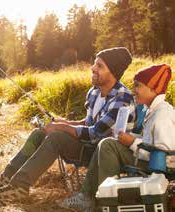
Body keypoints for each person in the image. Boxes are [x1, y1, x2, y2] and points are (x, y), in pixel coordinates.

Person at [0, 47, 136, 204]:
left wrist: (61, 128)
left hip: (100, 154)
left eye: (100, 66)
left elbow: (94, 133)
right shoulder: (95, 92)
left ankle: (19, 188)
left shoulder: (122, 98)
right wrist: (62, 122)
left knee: (56, 138)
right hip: (87, 145)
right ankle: (6, 178)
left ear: (113, 73)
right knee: (38, 133)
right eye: (95, 63)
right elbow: (87, 123)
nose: (93, 68)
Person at [59, 63, 175, 211]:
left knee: (108, 146)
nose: (134, 90)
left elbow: (165, 156)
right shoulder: (151, 110)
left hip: (159, 167)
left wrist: (132, 142)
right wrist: (128, 137)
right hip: (148, 159)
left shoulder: (162, 114)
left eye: (138, 86)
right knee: (107, 142)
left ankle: (103, 201)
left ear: (153, 89)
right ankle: (88, 196)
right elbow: (148, 140)